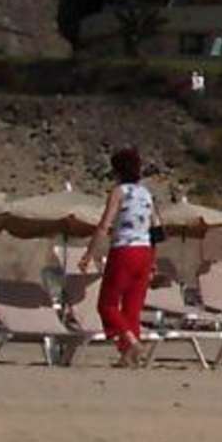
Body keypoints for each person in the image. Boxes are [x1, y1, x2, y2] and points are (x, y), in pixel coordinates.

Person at [79, 146, 157, 367]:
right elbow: (157, 229)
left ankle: (132, 343)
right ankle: (128, 356)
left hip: (124, 251)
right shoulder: (146, 194)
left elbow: (105, 225)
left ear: (117, 170)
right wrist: (154, 260)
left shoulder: (119, 192)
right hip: (145, 252)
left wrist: (89, 254)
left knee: (107, 305)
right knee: (132, 307)